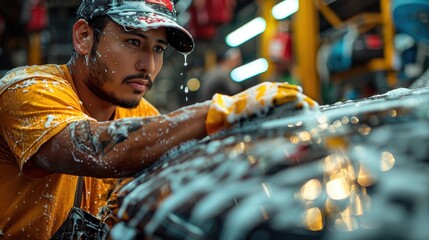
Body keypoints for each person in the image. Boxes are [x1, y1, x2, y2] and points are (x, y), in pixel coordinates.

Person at [0, 0, 318, 238]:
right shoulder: (26, 90)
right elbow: (93, 150)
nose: (148, 65)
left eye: (159, 49)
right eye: (134, 42)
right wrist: (218, 112)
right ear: (84, 37)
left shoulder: (142, 116)